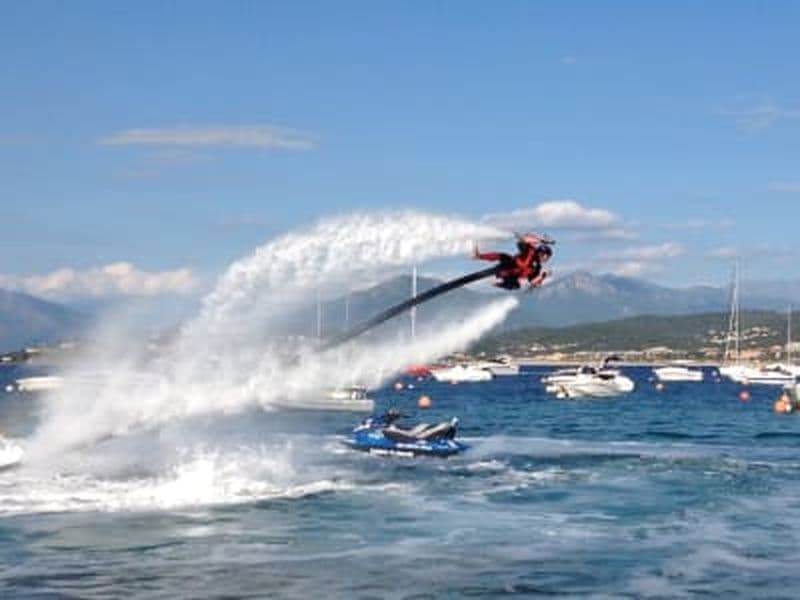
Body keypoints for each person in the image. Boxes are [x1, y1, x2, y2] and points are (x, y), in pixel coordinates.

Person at [473, 234, 553, 290]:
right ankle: (478, 256)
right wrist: (542, 240)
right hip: (509, 264)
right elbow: (524, 238)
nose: (546, 259)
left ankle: (496, 283)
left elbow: (533, 282)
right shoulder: (531, 250)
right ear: (541, 253)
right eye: (546, 257)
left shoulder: (537, 268)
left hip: (510, 276)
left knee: (517, 285)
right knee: (504, 255)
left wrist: (543, 276)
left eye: (547, 258)